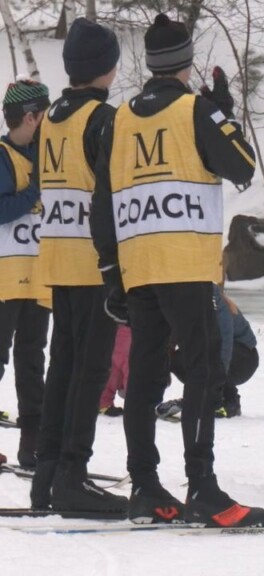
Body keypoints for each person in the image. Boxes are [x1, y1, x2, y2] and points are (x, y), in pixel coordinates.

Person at [90, 13, 264, 526]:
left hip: (138, 263)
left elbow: (103, 203)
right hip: (186, 262)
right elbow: (242, 166)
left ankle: (145, 484)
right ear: (187, 64)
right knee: (204, 368)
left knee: (145, 376)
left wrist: (111, 271)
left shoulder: (119, 118)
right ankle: (203, 488)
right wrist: (223, 110)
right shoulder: (196, 110)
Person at [31, 20, 124, 513]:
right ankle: (72, 475)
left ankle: (47, 475)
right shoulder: (103, 118)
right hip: (93, 263)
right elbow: (110, 194)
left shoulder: (50, 118)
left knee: (62, 366)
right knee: (89, 372)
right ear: (106, 69)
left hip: (57, 256)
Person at [0, 78, 50, 471]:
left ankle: (32, 440)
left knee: (32, 358)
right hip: (4, 277)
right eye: (44, 114)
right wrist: (35, 190)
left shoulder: (45, 152)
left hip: (38, 275)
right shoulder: (2, 155)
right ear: (31, 117)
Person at [158, 284, 259, 420]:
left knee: (208, 356)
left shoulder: (210, 296)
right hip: (216, 351)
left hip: (243, 356)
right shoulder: (179, 298)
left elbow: (225, 339)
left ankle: (227, 400)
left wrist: (212, 385)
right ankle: (211, 396)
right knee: (179, 360)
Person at [98, 324, 131, 417]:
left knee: (111, 373)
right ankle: (135, 405)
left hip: (115, 335)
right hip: (136, 335)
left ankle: (103, 402)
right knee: (132, 375)